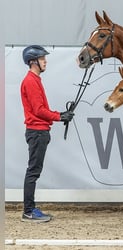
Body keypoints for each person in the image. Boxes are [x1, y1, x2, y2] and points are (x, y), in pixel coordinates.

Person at [20, 45, 74, 222]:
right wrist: (59, 116)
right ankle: (28, 212)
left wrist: (60, 116)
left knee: (34, 170)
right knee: (33, 171)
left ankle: (30, 209)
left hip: (39, 131)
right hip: (37, 132)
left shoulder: (35, 80)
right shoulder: (30, 81)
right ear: (33, 61)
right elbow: (39, 110)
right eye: (42, 58)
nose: (45, 61)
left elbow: (41, 109)